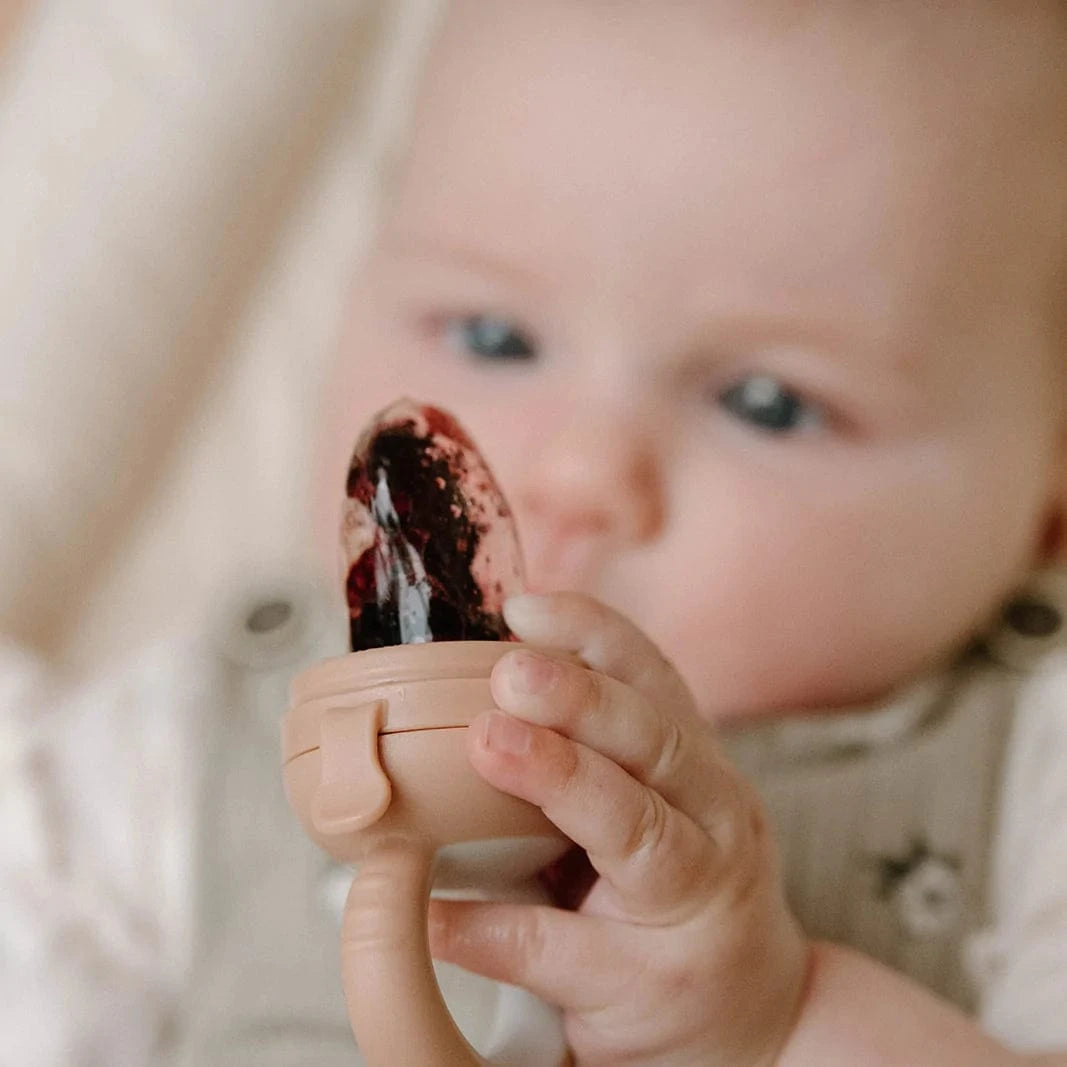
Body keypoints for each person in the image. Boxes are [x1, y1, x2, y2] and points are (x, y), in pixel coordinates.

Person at [3, 0, 1066, 1063]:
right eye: (493, 335)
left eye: (766, 403)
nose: (577, 472)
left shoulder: (1034, 789)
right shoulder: (168, 751)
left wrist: (775, 1022)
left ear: (1045, 511)